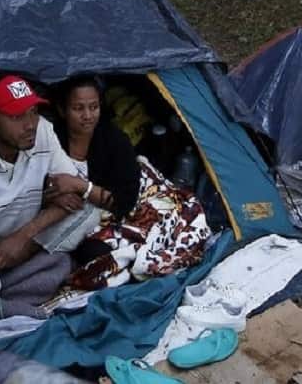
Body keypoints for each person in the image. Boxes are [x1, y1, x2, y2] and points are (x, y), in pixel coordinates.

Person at [0, 75, 103, 324]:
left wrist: (23, 237)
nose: (30, 124)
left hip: (26, 241)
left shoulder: (43, 130)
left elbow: (74, 190)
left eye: (33, 111)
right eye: (16, 117)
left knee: (89, 212)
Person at [51, 76, 212, 290]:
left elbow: (124, 202)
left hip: (124, 203)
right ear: (62, 110)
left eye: (93, 107)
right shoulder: (51, 139)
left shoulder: (114, 140)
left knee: (96, 254)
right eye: (78, 108)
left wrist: (82, 187)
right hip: (80, 207)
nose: (87, 116)